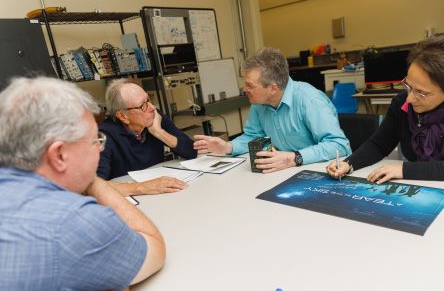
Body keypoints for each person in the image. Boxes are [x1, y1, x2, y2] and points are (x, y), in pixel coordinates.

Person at [0, 77, 165, 290]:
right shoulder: (72, 221)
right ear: (59, 155)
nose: (99, 149)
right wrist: (90, 179)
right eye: (95, 141)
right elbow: (153, 250)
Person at [327, 34, 444, 183]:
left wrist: (404, 170)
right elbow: (379, 145)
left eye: (422, 93)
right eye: (408, 86)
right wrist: (348, 164)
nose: (409, 99)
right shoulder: (402, 102)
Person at [194, 47, 351, 173]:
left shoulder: (309, 99)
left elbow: (339, 145)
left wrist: (293, 158)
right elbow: (253, 135)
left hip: (316, 173)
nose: (244, 89)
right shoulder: (259, 102)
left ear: (273, 88)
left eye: (250, 86)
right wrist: (228, 147)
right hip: (283, 174)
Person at [97, 79, 197, 195]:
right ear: (123, 116)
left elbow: (192, 151)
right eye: (142, 105)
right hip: (130, 200)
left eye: (148, 100)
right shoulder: (104, 135)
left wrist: (159, 132)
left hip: (162, 194)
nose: (152, 107)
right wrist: (143, 187)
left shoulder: (154, 118)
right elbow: (95, 185)